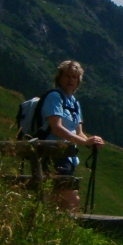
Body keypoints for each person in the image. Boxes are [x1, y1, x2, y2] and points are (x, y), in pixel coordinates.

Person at [41, 60, 104, 211]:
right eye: (67, 76)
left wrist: (91, 141)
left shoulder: (74, 103)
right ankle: (64, 223)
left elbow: (79, 131)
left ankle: (50, 222)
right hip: (53, 152)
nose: (71, 80)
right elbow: (56, 128)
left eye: (74, 77)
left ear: (78, 81)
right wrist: (83, 142)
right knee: (71, 199)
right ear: (59, 78)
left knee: (58, 198)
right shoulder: (54, 97)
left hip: (68, 156)